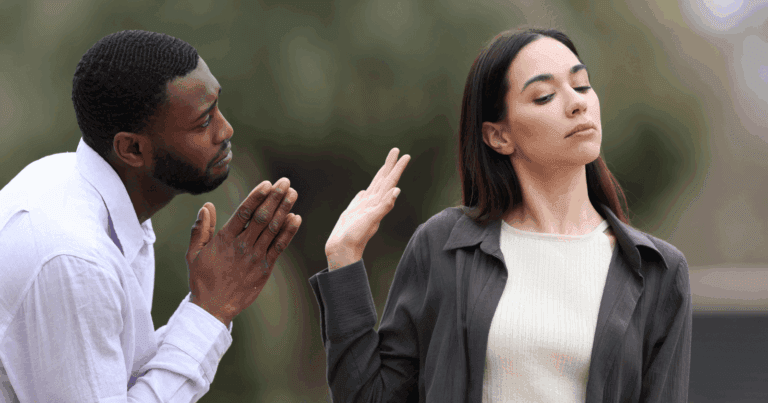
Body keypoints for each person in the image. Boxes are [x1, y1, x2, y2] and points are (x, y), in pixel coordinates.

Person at [310, 28, 692, 402]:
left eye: (582, 85)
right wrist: (344, 259)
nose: (576, 103)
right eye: (544, 96)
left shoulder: (658, 270)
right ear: (499, 136)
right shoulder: (444, 247)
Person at [0, 30, 302, 402]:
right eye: (203, 122)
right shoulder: (74, 259)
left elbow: (115, 375)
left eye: (217, 107)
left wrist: (205, 304)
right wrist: (210, 310)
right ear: (131, 148)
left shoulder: (84, 187)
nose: (226, 130)